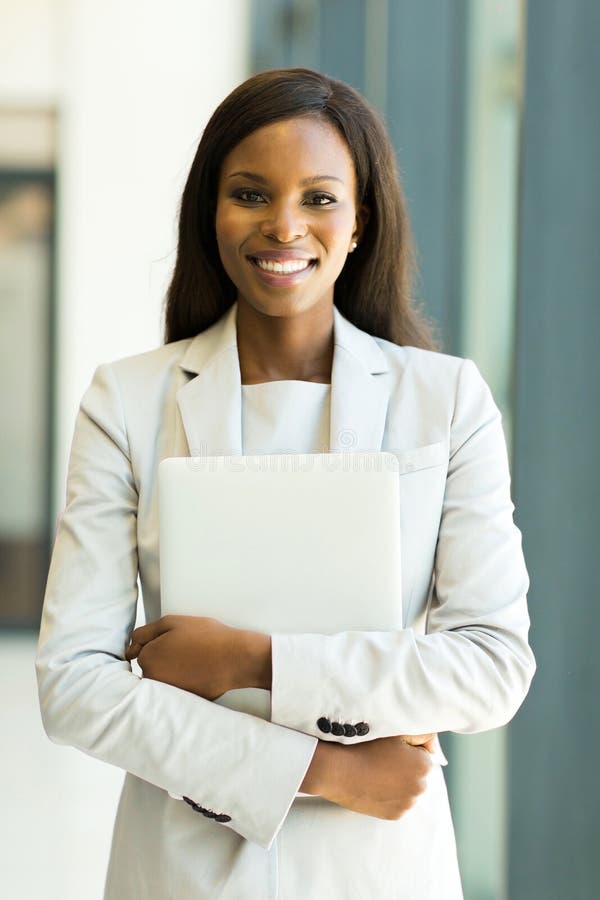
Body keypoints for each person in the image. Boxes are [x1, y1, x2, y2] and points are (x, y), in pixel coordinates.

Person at [36, 68, 535, 899]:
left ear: (359, 221)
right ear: (213, 211)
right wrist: (320, 769)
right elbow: (74, 683)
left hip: (379, 866)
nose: (284, 225)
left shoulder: (444, 400)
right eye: (250, 193)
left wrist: (249, 659)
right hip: (185, 863)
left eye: (319, 198)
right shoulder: (126, 400)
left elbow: (490, 664)